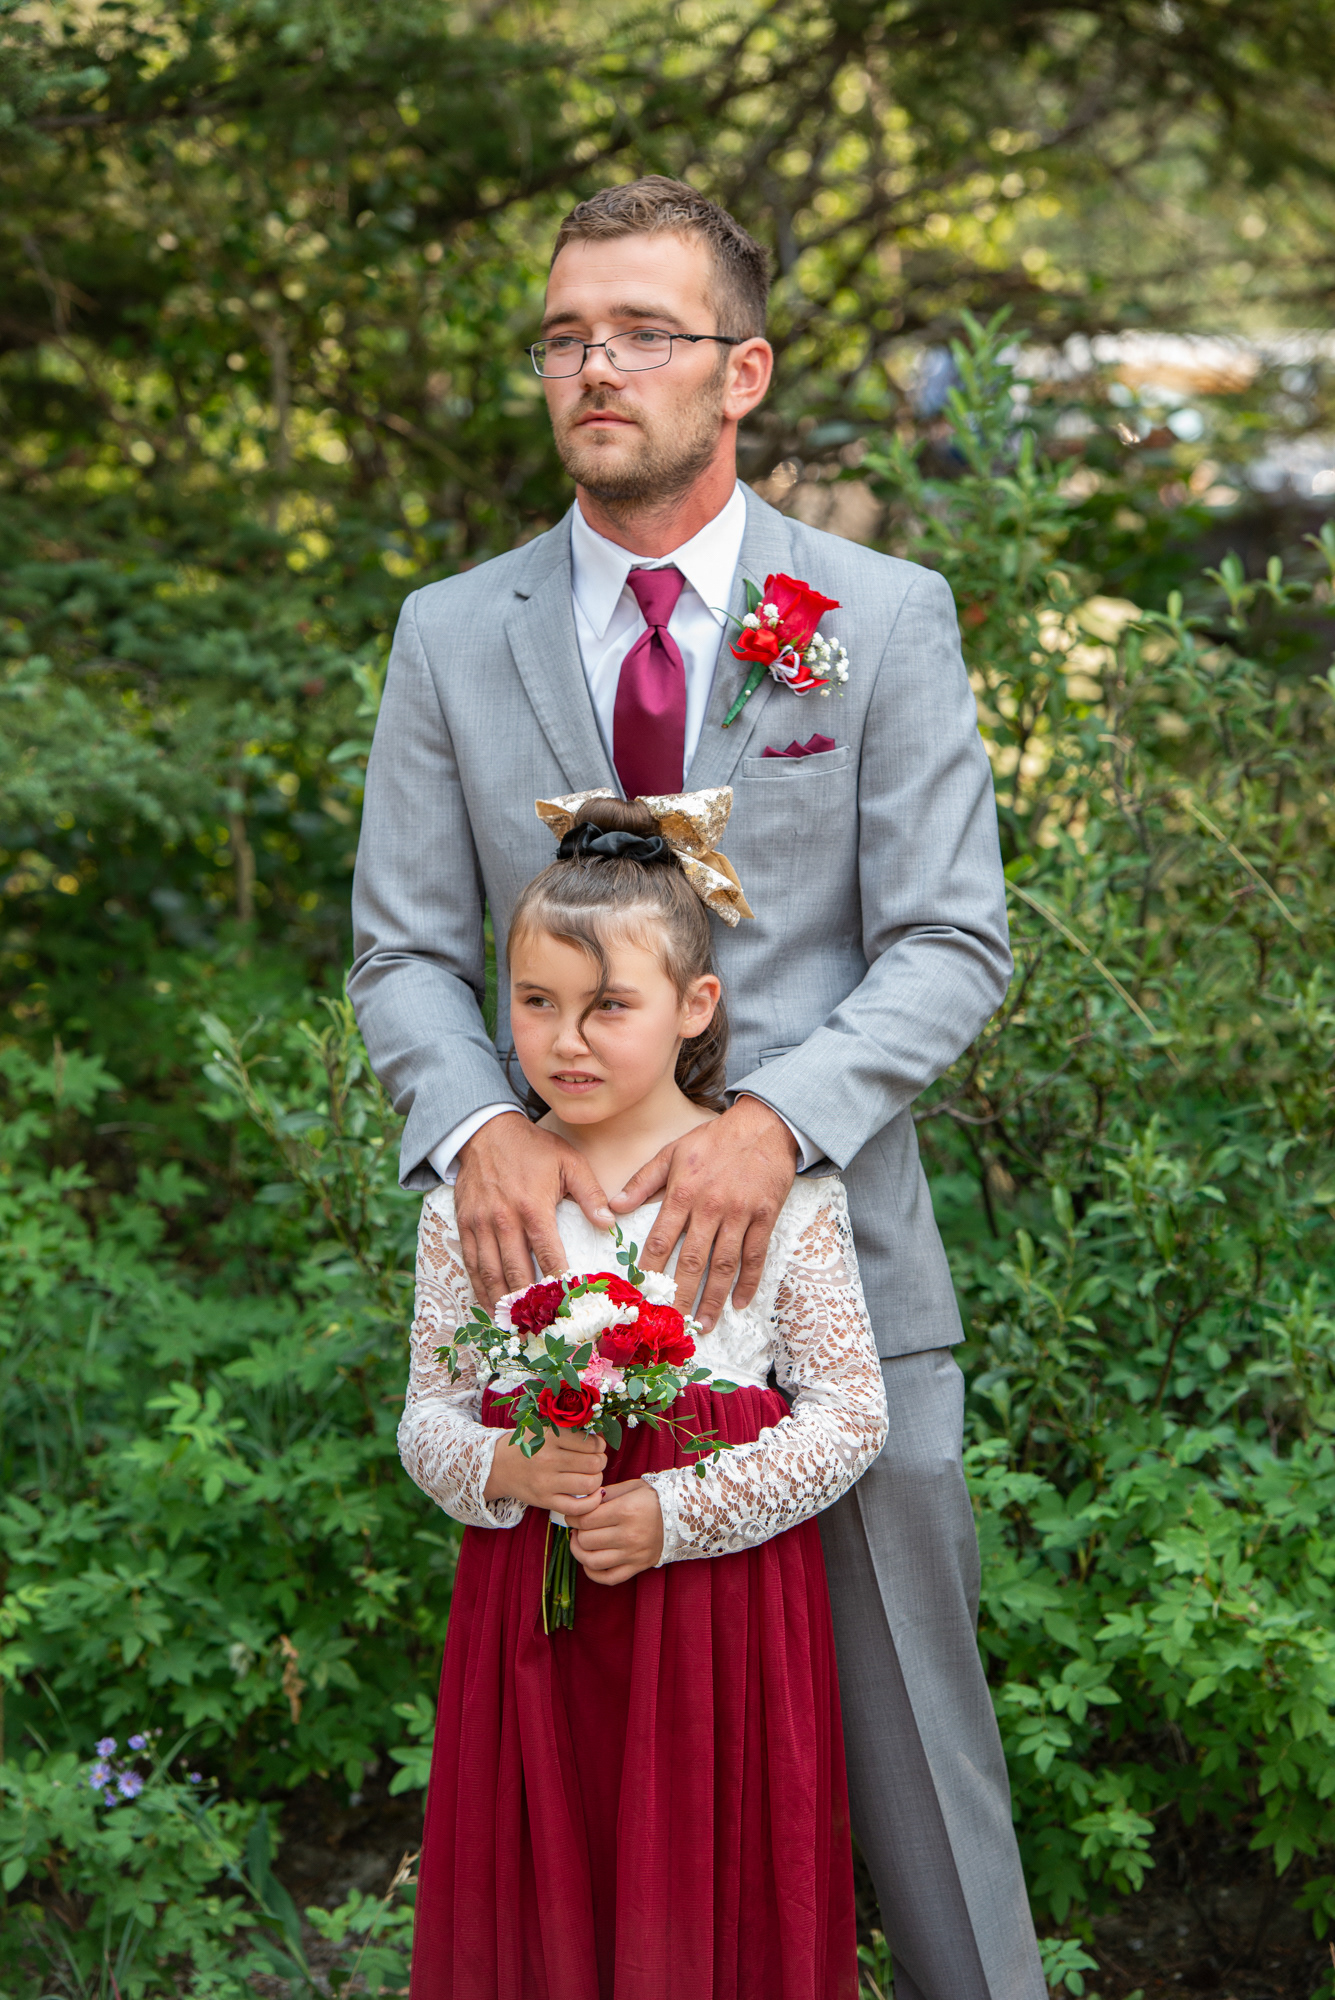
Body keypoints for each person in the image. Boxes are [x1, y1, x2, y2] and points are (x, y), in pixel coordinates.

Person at [350, 175, 1047, 2000]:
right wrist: (481, 1130)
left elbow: (952, 939)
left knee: (927, 1784)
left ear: (741, 371)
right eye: (564, 336)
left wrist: (772, 1124)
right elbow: (402, 953)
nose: (596, 367)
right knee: (584, 1828)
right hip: (554, 1323)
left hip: (832, 1297)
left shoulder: (878, 614)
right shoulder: (451, 632)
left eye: (642, 333)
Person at [399, 792, 889, 1998]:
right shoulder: (478, 1203)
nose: (565, 1040)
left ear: (694, 1004)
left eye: (608, 1004)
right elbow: (427, 1413)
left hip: (719, 1627)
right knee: (543, 1890)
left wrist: (679, 1511)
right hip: (535, 1620)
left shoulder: (783, 1197)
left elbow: (850, 1413)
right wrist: (502, 1466)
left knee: (699, 1898)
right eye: (535, 1001)